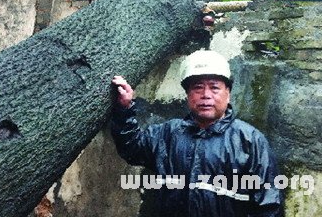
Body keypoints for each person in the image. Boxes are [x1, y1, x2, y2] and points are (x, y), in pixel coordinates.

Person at [111, 49, 283, 217]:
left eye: (214, 88)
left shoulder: (250, 141)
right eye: (198, 88)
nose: (206, 95)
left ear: (228, 93)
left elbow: (269, 205)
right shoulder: (167, 134)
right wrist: (124, 108)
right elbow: (131, 148)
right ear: (188, 94)